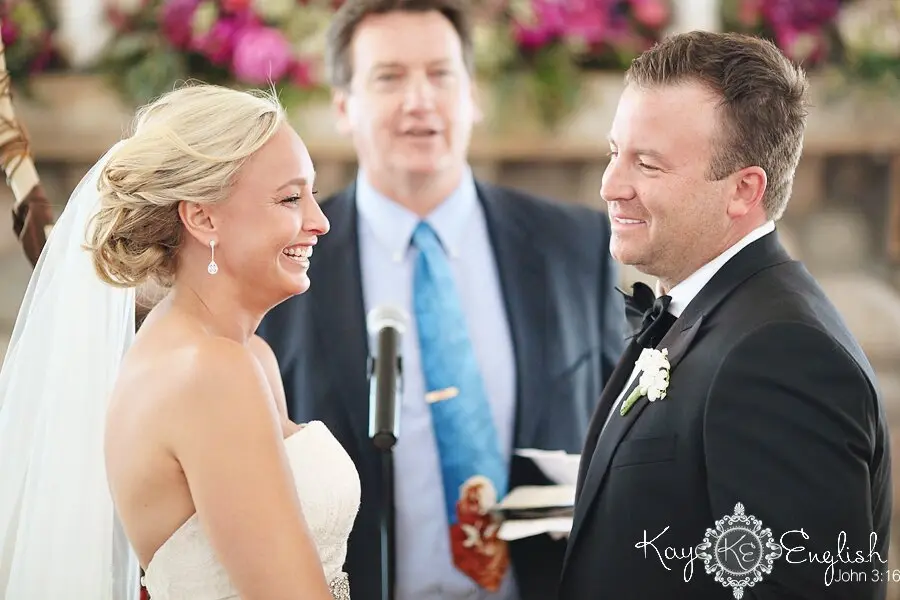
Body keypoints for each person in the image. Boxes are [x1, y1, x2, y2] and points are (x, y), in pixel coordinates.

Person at [254, 1, 626, 600]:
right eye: (389, 77)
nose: (419, 100)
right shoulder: (286, 261)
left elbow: (622, 438)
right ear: (344, 106)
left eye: (440, 74)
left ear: (472, 95)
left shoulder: (574, 246)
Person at [558, 30, 893, 600]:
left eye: (648, 164)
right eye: (615, 153)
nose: (610, 186)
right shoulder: (716, 313)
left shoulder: (781, 356)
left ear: (743, 190)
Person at [0, 83, 360, 600]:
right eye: (290, 198)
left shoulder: (243, 355)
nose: (319, 222)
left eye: (313, 196)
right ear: (203, 217)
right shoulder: (210, 372)